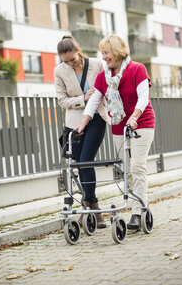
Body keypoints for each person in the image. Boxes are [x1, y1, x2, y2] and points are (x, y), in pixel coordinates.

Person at [77, 34, 155, 231]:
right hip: (119, 126)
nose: (104, 57)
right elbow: (94, 101)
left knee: (137, 166)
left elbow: (143, 98)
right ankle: (139, 204)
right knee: (127, 169)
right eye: (102, 53)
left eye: (106, 52)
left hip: (141, 123)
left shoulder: (137, 69)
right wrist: (83, 124)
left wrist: (135, 117)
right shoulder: (104, 77)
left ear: (118, 51)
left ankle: (137, 213)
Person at [54, 35, 110, 229]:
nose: (70, 63)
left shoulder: (96, 64)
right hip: (75, 123)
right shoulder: (59, 71)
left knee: (86, 160)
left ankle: (90, 208)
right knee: (80, 165)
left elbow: (109, 88)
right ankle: (94, 207)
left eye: (72, 59)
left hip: (96, 118)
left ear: (77, 50)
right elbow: (62, 100)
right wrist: (82, 99)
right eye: (66, 61)